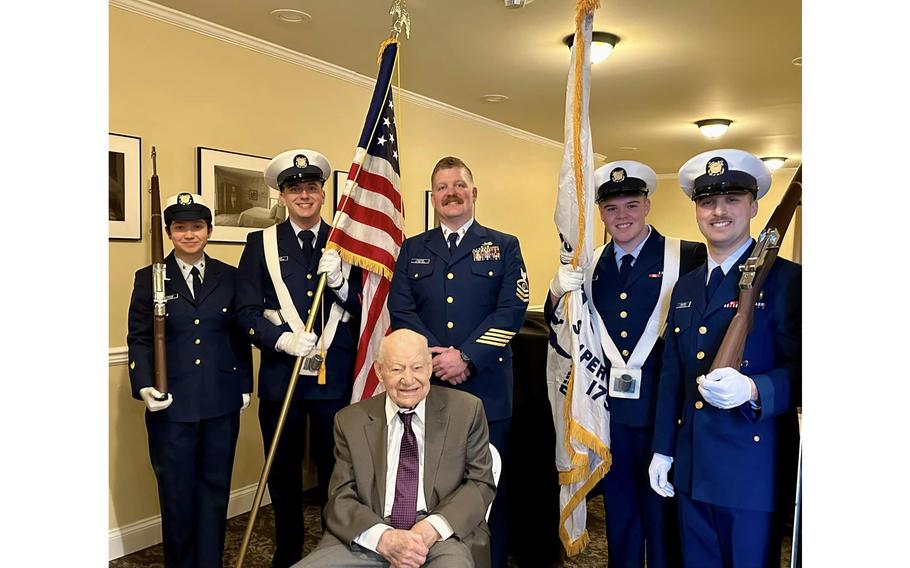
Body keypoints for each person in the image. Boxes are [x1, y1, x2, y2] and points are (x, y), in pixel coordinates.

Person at [547, 161, 706, 568]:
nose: (622, 217)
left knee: (663, 519)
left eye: (631, 205)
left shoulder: (686, 255)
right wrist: (554, 294)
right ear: (600, 213)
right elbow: (565, 331)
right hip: (607, 414)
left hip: (662, 414)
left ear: (648, 205)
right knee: (620, 519)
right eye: (612, 209)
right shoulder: (591, 263)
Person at [649, 149, 801, 567]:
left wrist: (755, 388)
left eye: (732, 199)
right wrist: (664, 449)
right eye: (707, 202)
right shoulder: (686, 286)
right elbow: (672, 375)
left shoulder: (788, 280)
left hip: (752, 468)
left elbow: (806, 370)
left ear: (753, 206)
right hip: (693, 465)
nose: (718, 211)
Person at [388, 156, 528, 568]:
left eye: (459, 185)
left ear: (473, 192)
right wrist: (436, 360)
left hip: (486, 392)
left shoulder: (503, 246)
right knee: (430, 491)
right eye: (442, 187)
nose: (451, 192)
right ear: (434, 197)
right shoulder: (413, 249)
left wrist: (465, 356)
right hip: (428, 390)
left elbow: (511, 311)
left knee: (487, 490)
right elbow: (402, 311)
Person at [236, 148, 362, 567]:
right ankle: (287, 549)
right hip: (281, 374)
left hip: (333, 376)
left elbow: (369, 310)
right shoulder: (261, 244)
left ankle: (334, 547)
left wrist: (343, 282)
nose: (304, 195)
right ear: (283, 196)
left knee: (336, 469)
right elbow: (246, 312)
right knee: (284, 471)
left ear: (324, 193)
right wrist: (280, 340)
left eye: (311, 187)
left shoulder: (347, 245)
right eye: (295, 189)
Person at [126, 192, 253, 568]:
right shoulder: (150, 278)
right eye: (180, 227)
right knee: (177, 494)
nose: (189, 234)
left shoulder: (229, 277)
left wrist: (244, 383)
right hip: (172, 403)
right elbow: (140, 337)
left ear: (209, 231)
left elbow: (238, 333)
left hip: (220, 401)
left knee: (215, 492)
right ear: (169, 232)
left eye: (196, 226)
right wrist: (144, 383)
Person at [298, 329, 496, 568]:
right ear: (379, 371)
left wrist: (430, 528)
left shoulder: (466, 411)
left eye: (417, 367)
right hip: (371, 531)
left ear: (430, 369)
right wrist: (384, 538)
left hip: (443, 534)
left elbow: (480, 483)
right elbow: (340, 495)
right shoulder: (350, 420)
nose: (408, 379)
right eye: (396, 369)